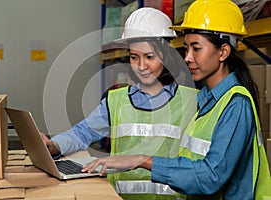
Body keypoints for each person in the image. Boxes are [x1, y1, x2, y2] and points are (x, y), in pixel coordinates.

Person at [82, 0, 271, 199]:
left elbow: (211, 176)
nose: (188, 57)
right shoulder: (206, 99)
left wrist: (141, 160)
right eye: (186, 48)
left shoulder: (236, 103)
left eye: (196, 49)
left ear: (223, 51)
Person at [41, 7, 197, 199]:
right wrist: (53, 145)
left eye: (150, 57)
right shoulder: (116, 101)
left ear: (167, 55)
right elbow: (83, 132)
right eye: (134, 57)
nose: (141, 66)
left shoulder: (193, 100)